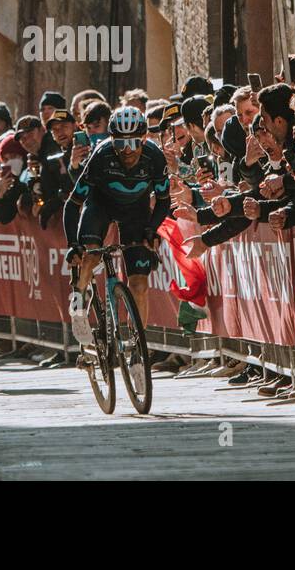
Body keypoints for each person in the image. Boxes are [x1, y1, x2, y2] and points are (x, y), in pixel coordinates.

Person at [64, 106, 170, 390]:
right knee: (90, 251)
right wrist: (72, 244)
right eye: (120, 143)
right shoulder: (101, 157)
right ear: (111, 141)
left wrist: (152, 229)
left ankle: (137, 352)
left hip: (135, 213)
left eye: (134, 142)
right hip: (100, 205)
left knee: (139, 284)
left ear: (145, 138)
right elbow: (73, 204)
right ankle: (78, 302)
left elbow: (163, 201)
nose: (127, 150)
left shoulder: (154, 158)